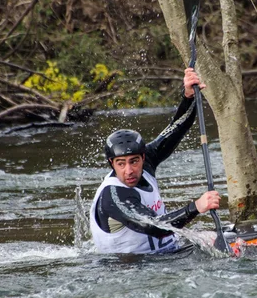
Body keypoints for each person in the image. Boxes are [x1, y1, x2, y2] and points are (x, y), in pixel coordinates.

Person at [89, 68, 221, 254]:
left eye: (134, 161)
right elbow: (155, 227)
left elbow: (175, 129)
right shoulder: (114, 196)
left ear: (143, 157)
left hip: (166, 254)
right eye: (121, 164)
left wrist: (188, 97)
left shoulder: (147, 160)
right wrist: (196, 207)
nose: (129, 170)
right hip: (133, 267)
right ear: (112, 164)